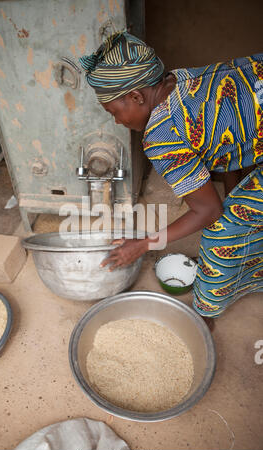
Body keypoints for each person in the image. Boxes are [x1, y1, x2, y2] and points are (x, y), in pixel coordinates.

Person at [79, 31, 263, 318]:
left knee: (222, 236)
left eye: (113, 111)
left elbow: (209, 211)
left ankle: (204, 314)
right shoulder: (184, 80)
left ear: (136, 96)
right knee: (239, 210)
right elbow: (231, 143)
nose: (116, 120)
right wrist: (236, 198)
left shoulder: (162, 134)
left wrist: (143, 244)